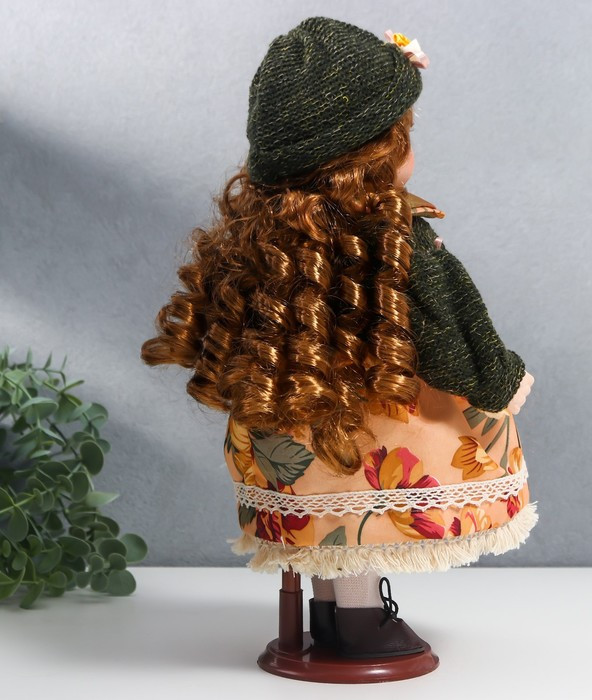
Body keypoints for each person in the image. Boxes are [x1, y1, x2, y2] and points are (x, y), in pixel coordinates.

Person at [141, 16, 537, 660]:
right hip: (379, 416)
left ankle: (330, 615)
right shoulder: (398, 241)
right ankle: (358, 624)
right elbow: (449, 331)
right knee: (363, 504)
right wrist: (500, 381)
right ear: (374, 153)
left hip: (292, 413)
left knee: (328, 511)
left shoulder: (261, 238)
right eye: (403, 136)